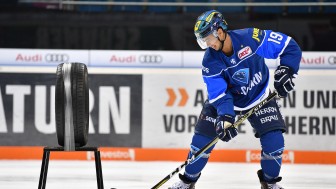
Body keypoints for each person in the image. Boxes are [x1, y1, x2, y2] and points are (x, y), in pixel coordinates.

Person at [169, 10, 302, 189]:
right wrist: (225, 117)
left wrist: (286, 69)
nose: (207, 44)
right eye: (204, 41)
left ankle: (269, 183)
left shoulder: (251, 37)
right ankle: (187, 181)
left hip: (258, 96)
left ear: (221, 31)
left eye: (208, 38)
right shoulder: (210, 61)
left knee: (274, 142)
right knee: (201, 142)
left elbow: (288, 46)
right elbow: (219, 94)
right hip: (227, 102)